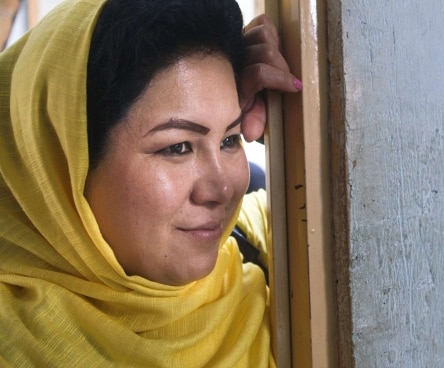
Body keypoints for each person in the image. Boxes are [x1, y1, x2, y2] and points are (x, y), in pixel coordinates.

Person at [0, 0, 301, 366]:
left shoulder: (272, 247)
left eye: (229, 139)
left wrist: (297, 123)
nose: (222, 189)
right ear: (62, 158)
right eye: (178, 147)